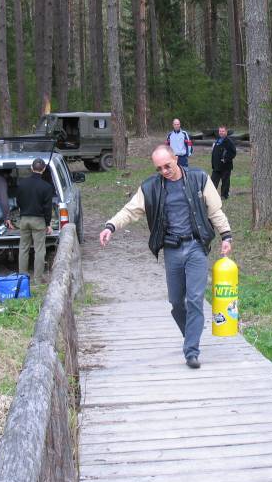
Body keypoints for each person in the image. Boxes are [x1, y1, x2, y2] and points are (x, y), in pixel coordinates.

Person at [99, 145, 233, 369]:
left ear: (177, 158)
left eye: (167, 166)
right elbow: (130, 211)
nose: (164, 171)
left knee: (195, 299)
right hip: (172, 249)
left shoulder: (199, 179)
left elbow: (215, 211)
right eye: (159, 168)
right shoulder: (151, 187)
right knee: (176, 303)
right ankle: (192, 334)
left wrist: (226, 236)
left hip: (196, 247)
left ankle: (191, 351)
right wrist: (110, 226)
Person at [11, 158, 55, 282]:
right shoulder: (46, 187)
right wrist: (48, 224)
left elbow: (18, 201)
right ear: (44, 169)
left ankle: (22, 277)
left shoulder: (22, 184)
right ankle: (37, 278)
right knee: (39, 249)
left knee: (23, 248)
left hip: (24, 220)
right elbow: (47, 208)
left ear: (31, 168)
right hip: (39, 221)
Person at [211, 126, 237, 200]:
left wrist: (225, 159)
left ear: (226, 132)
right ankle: (211, 196)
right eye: (220, 131)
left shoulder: (229, 142)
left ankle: (224, 195)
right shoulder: (218, 140)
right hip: (216, 166)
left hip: (225, 166)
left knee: (225, 182)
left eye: (223, 131)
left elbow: (233, 153)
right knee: (213, 182)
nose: (221, 132)